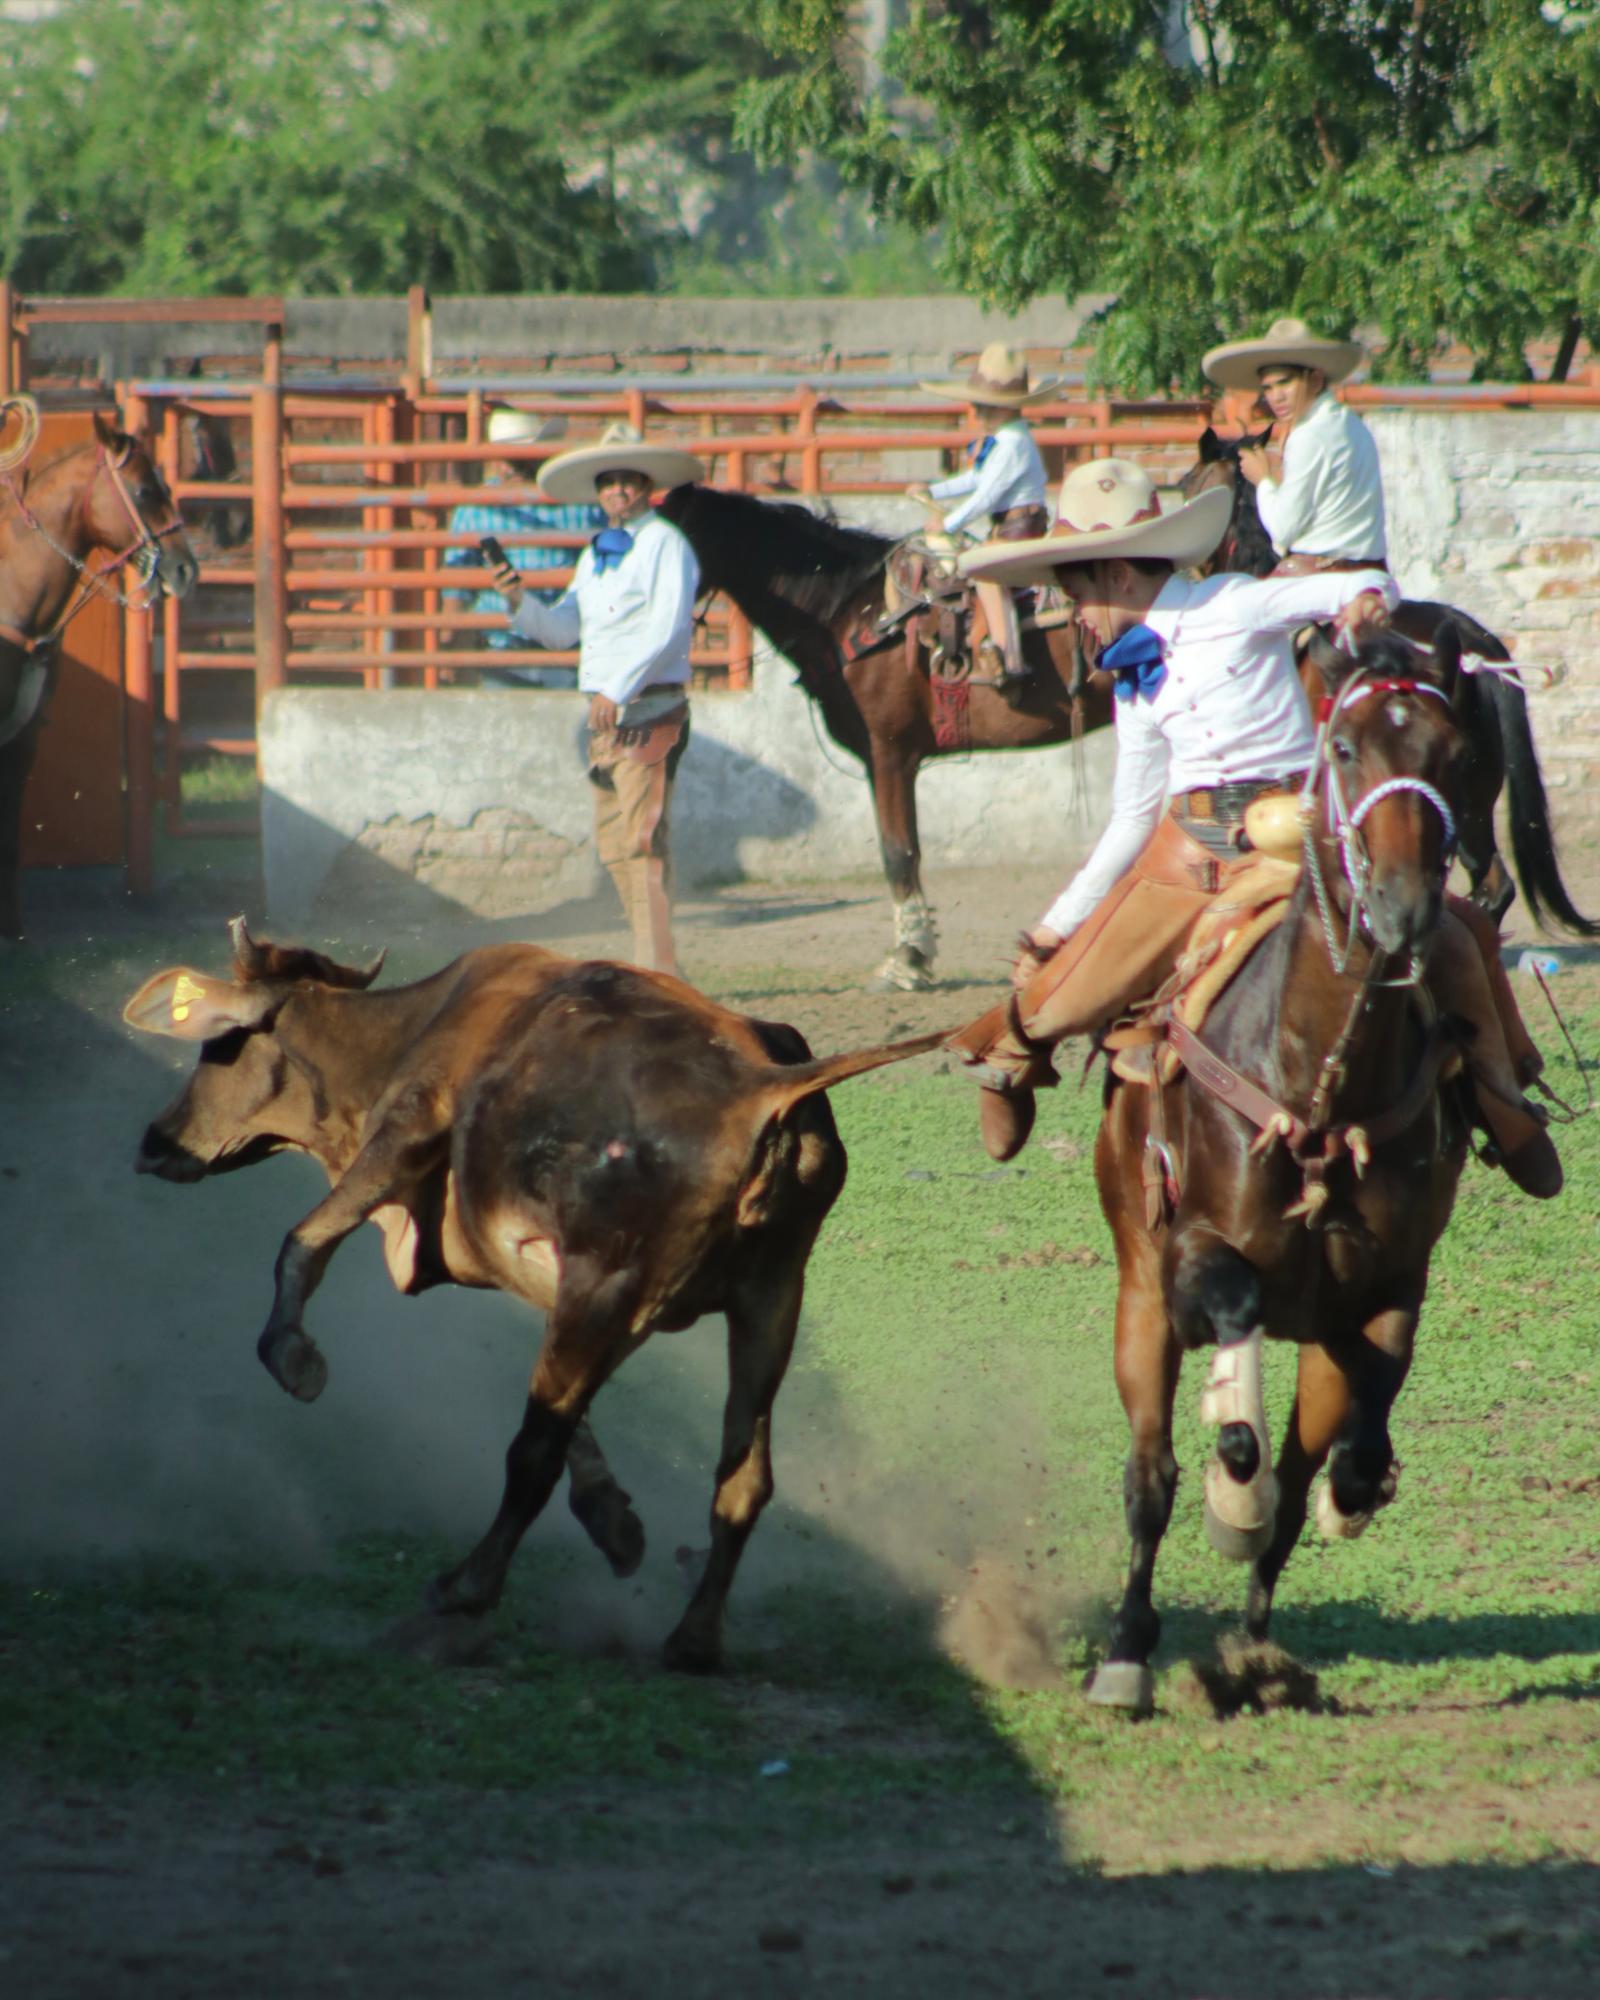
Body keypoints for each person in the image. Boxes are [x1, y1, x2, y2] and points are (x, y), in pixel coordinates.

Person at [944, 458, 1561, 1199]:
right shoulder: (1134, 679)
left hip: (1294, 842)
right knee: (1054, 994)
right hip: (1182, 855)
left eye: (1074, 590)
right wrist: (1054, 925)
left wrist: (1367, 599)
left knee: (1459, 935)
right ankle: (1011, 1054)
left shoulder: (1234, 603)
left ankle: (1504, 1105)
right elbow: (1133, 817)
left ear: (1112, 573)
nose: (1071, 610)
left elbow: (1357, 586)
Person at [494, 421, 705, 977]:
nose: (616, 490)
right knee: (616, 843)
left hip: (648, 707)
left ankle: (657, 966)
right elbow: (564, 629)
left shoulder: (666, 544)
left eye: (627, 480)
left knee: (641, 839)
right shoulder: (595, 557)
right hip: (608, 714)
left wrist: (617, 688)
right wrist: (521, 602)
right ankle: (655, 960)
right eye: (607, 481)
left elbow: (666, 628)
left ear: (645, 485)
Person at [906, 343, 1059, 684]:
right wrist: (933, 490)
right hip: (1010, 528)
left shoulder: (1012, 444)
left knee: (983, 572)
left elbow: (987, 496)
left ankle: (1008, 656)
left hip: (1020, 530)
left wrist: (948, 521)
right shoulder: (1006, 439)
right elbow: (976, 478)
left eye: (984, 405)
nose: (977, 410)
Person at [1201, 316, 1386, 575]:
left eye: (1285, 382)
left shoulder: (1309, 435)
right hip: (1370, 571)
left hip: (1321, 578)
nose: (1276, 396)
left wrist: (1262, 479)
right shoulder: (1352, 423)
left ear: (1315, 379)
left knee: (1238, 612)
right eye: (1268, 388)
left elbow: (1283, 529)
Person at [442, 408, 603, 688]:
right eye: (504, 459)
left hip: (565, 646)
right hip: (504, 646)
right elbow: (457, 588)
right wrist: (448, 647)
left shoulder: (577, 502)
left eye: (517, 459)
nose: (508, 468)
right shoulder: (476, 507)